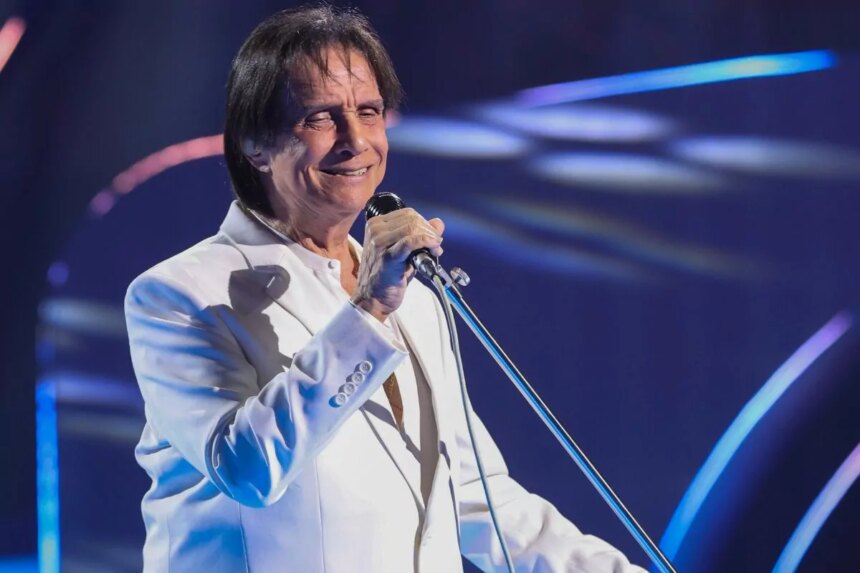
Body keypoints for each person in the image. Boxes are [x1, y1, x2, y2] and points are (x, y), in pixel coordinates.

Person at [125, 5, 646, 572]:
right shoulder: (178, 295)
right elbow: (246, 468)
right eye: (321, 118)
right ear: (255, 144)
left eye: (369, 112)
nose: (356, 140)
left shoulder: (416, 300)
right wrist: (368, 307)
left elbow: (476, 495)